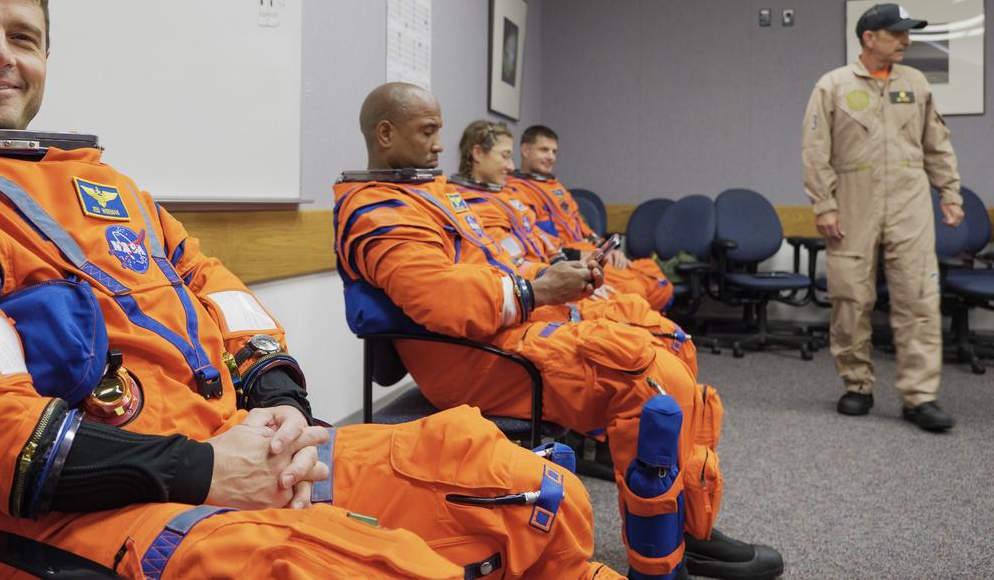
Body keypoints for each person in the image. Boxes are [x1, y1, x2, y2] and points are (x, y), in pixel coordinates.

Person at [0, 0, 621, 579]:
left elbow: (225, 299)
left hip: (229, 456)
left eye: (22, 36)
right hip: (73, 521)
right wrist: (207, 471)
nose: (0, 55)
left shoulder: (108, 190)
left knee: (524, 488)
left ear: (46, 58)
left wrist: (281, 405)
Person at [335, 82, 785, 580]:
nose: (442, 144)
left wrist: (551, 284)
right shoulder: (376, 210)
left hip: (507, 325)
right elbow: (442, 300)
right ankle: (661, 562)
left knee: (668, 341)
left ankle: (690, 526)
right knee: (649, 378)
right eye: (429, 131)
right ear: (384, 133)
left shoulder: (424, 195)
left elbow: (496, 261)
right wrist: (538, 292)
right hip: (469, 353)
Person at [801, 2, 963, 432]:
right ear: (869, 38)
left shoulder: (917, 83)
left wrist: (950, 193)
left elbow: (937, 144)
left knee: (919, 298)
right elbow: (815, 153)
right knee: (850, 296)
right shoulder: (832, 86)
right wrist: (825, 204)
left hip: (909, 201)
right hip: (854, 201)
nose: (906, 41)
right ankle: (857, 385)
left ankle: (919, 397)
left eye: (907, 33)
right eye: (897, 33)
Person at [447, 119, 696, 375]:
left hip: (552, 275)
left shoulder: (507, 196)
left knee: (651, 309)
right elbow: (504, 264)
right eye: (505, 156)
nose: (511, 166)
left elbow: (543, 242)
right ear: (478, 153)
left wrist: (566, 266)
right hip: (537, 290)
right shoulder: (467, 203)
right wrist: (557, 278)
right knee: (641, 323)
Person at [507, 126, 674, 313]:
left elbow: (582, 227)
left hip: (591, 250)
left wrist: (608, 249)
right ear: (525, 150)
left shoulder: (556, 187)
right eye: (544, 150)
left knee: (660, 283)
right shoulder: (514, 192)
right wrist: (579, 256)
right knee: (634, 292)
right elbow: (536, 243)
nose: (551, 157)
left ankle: (649, 326)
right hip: (569, 259)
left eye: (554, 151)